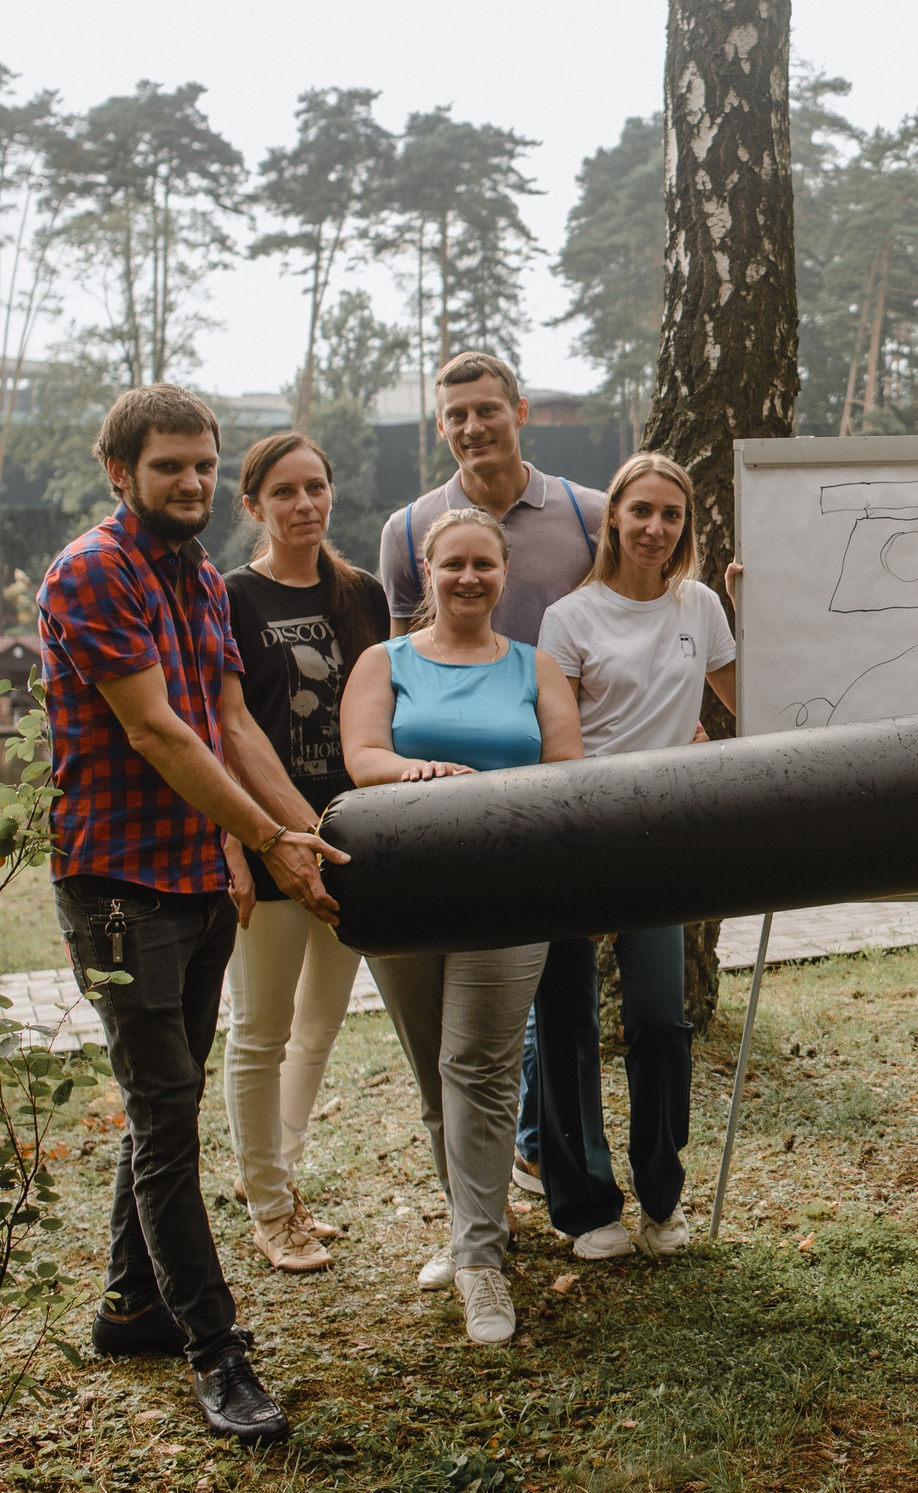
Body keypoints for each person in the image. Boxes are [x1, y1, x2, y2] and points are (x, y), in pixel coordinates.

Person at [37, 385, 346, 1444]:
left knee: (161, 1102)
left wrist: (304, 833)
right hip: (117, 889)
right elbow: (162, 734)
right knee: (167, 1117)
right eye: (171, 464)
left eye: (205, 463)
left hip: (198, 884)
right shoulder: (94, 569)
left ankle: (131, 1306)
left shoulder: (201, 578)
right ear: (121, 471)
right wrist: (265, 838)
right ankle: (217, 1352)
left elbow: (228, 718)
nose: (194, 481)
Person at [342, 507, 585, 1346]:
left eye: (485, 564)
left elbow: (566, 772)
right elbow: (363, 757)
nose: (470, 578)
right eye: (454, 565)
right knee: (433, 1076)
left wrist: (486, 801)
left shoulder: (535, 667)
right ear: (429, 574)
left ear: (503, 572)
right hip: (400, 889)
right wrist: (426, 775)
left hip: (510, 890)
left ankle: (482, 1263)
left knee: (475, 1067)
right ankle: (471, 1224)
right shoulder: (386, 660)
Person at [375, 351, 611, 1209]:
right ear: (441, 427)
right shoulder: (409, 530)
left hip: (556, 781)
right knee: (461, 1024)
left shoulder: (587, 515)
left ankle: (563, 1171)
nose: (473, 427)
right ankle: (491, 1182)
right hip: (442, 812)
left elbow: (631, 618)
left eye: (487, 409)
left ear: (520, 410)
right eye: (456, 415)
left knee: (564, 1001)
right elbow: (401, 661)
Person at [533, 452, 738, 1260]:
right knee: (567, 1018)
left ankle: (662, 1196)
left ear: (687, 526)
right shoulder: (570, 617)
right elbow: (562, 739)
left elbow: (756, 698)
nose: (657, 527)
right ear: (613, 515)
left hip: (664, 837)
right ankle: (587, 1205)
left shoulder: (703, 606)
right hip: (580, 831)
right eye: (642, 510)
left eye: (673, 515)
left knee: (660, 1018)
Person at [221, 432, 391, 1275]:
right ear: (252, 505)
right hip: (266, 840)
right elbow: (220, 726)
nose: (304, 504)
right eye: (283, 492)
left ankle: (283, 1183)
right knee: (260, 1030)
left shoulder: (362, 594)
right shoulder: (230, 598)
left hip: (353, 837)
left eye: (316, 487)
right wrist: (233, 837)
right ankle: (269, 1205)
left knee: (318, 1027)